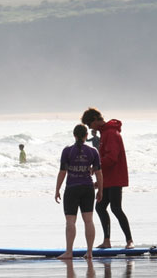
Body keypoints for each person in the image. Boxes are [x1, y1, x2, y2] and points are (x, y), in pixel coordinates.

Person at [81, 107, 134, 249]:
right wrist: (100, 181)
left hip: (116, 177)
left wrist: (96, 166)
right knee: (100, 207)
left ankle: (129, 241)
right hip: (109, 178)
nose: (89, 127)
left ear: (94, 120)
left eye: (89, 124)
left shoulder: (110, 133)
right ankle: (107, 241)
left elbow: (112, 158)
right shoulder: (104, 132)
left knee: (116, 208)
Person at [55, 124, 103, 260]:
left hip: (72, 188)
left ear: (74, 135)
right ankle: (89, 252)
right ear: (86, 136)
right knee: (89, 221)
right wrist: (101, 190)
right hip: (88, 188)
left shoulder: (67, 151)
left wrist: (57, 189)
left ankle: (69, 252)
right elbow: (99, 173)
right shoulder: (93, 151)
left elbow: (62, 172)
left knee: (70, 222)